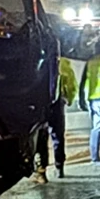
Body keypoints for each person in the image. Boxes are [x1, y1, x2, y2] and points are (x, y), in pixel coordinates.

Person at [35, 54, 77, 182]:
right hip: (57, 104)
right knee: (58, 136)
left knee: (41, 137)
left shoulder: (38, 61)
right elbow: (71, 85)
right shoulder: (64, 63)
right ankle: (60, 167)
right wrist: (68, 99)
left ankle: (41, 171)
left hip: (41, 104)